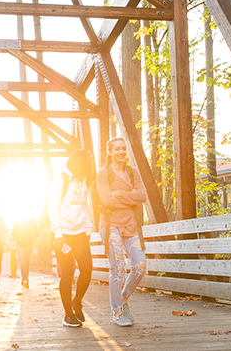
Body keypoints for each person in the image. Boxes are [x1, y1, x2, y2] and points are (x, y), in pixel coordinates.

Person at [97, 137, 147, 327]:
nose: (121, 152)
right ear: (109, 152)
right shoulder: (103, 173)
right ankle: (117, 310)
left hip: (131, 226)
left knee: (141, 265)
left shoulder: (133, 173)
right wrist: (131, 198)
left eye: (123, 148)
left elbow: (142, 196)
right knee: (117, 268)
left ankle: (124, 297)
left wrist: (122, 194)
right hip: (111, 226)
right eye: (117, 149)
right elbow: (106, 200)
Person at [47, 149, 95, 328]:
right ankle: (68, 314)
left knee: (87, 270)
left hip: (80, 233)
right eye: (88, 163)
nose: (90, 166)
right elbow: (53, 208)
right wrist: (58, 234)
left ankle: (77, 301)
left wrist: (88, 229)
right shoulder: (60, 180)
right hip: (63, 235)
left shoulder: (84, 180)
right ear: (78, 164)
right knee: (67, 274)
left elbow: (85, 206)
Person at [11, 215, 39, 289]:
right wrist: (18, 239)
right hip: (20, 245)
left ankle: (25, 279)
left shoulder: (32, 221)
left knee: (27, 262)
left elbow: (36, 232)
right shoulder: (17, 221)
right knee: (23, 261)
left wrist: (32, 239)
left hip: (29, 244)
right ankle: (25, 280)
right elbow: (13, 233)